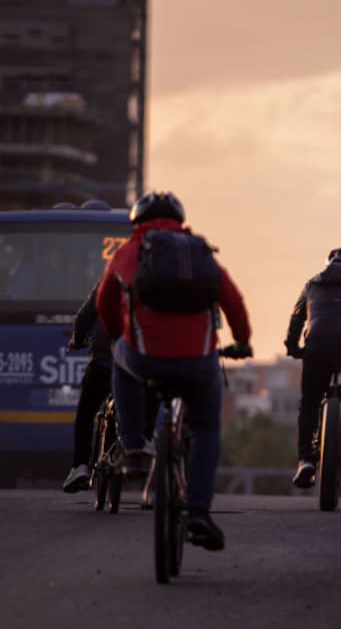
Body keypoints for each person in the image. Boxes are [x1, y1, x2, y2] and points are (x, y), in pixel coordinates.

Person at [97, 191, 252, 551]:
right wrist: (242, 341)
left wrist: (117, 334)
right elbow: (233, 300)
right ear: (180, 222)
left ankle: (133, 446)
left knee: (120, 359)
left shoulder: (127, 253)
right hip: (198, 363)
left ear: (136, 223)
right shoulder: (200, 253)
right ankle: (198, 511)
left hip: (144, 358)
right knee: (206, 428)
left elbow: (105, 302)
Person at [284, 247, 341, 488]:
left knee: (309, 403)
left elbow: (297, 317)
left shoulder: (312, 284)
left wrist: (292, 346)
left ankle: (305, 460)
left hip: (317, 347)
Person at [61, 282, 113, 493]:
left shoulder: (108, 280)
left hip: (102, 359)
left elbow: (84, 316)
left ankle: (80, 465)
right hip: (133, 360)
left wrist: (77, 339)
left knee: (86, 411)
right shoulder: (149, 279)